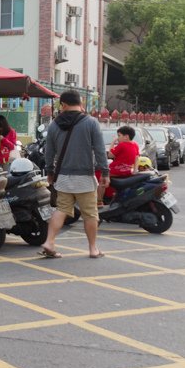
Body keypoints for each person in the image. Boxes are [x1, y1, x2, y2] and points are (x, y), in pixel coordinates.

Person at [40, 89, 110, 259]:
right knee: (90, 214)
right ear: (80, 103)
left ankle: (49, 242)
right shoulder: (91, 123)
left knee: (61, 209)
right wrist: (105, 172)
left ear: (63, 105)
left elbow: (49, 152)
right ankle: (93, 249)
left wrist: (50, 170)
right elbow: (100, 150)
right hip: (85, 177)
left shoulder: (54, 125)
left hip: (63, 176)